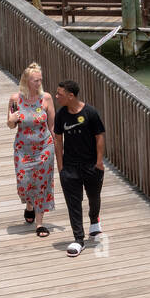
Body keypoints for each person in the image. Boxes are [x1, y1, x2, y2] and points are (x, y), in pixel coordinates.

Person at [54, 79, 106, 257]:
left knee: (94, 197)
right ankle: (78, 239)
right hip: (70, 167)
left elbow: (100, 136)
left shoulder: (90, 112)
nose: (57, 97)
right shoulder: (61, 115)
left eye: (60, 94)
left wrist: (99, 162)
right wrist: (60, 166)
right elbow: (58, 139)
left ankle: (94, 221)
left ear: (71, 95)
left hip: (91, 165)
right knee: (73, 204)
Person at [8, 63, 56, 237]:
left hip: (44, 147)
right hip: (23, 149)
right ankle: (29, 204)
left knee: (42, 183)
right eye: (35, 80)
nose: (38, 83)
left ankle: (40, 223)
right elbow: (11, 125)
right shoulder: (15, 99)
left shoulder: (46, 98)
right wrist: (11, 119)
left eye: (40, 80)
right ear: (26, 81)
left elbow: (52, 126)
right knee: (24, 183)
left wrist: (59, 149)